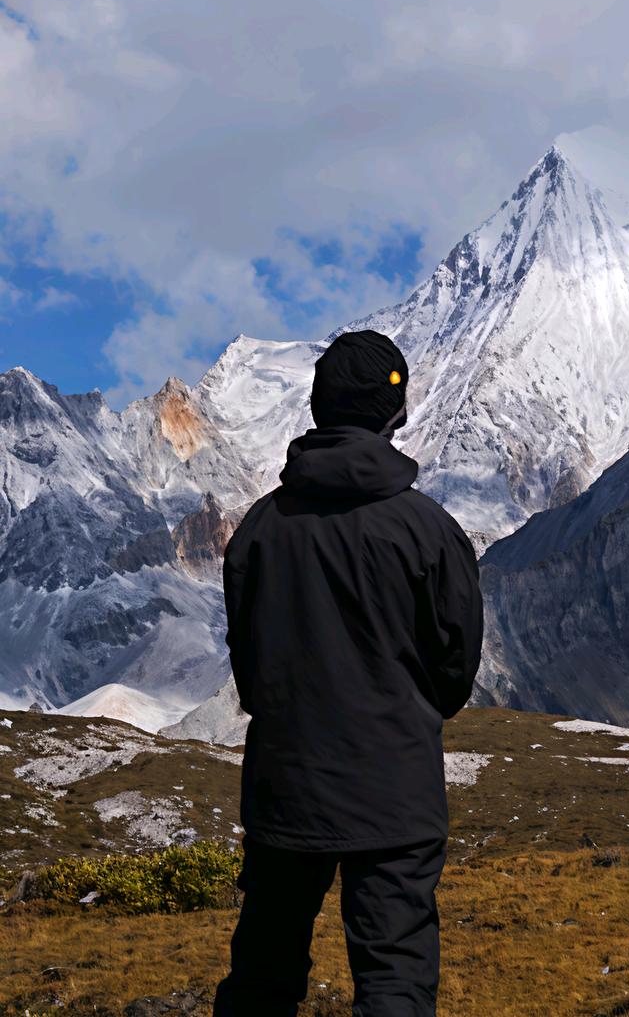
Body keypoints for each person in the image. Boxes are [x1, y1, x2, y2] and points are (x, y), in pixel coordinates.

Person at [213, 329, 484, 1017]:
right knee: (394, 976)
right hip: (394, 790)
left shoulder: (259, 530)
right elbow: (454, 677)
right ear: (397, 413)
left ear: (315, 407)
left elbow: (249, 673)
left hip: (285, 790)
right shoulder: (431, 531)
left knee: (264, 973)